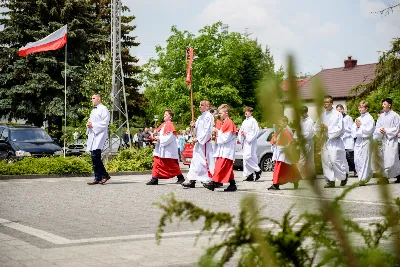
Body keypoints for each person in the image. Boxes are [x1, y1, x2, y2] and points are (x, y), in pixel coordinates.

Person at [203, 104, 238, 192]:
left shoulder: (229, 122)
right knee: (226, 168)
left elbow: (226, 138)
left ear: (226, 113)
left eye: (221, 113)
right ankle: (232, 184)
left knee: (220, 166)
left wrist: (217, 132)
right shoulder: (224, 122)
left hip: (227, 150)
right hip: (223, 149)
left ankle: (214, 183)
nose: (219, 114)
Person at [316, 95, 348, 188]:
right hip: (325, 141)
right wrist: (320, 131)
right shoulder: (322, 115)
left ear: (331, 103)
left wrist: (328, 128)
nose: (325, 105)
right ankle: (330, 181)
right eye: (324, 103)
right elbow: (316, 128)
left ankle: (344, 175)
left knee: (334, 161)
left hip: (335, 141)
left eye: (327, 102)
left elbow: (340, 129)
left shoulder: (337, 114)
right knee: (326, 161)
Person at [146, 109, 185, 185]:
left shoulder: (170, 125)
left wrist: (159, 138)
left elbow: (169, 137)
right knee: (156, 162)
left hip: (167, 149)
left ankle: (180, 177)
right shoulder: (163, 125)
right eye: (164, 114)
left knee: (171, 165)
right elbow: (158, 134)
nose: (164, 115)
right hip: (160, 148)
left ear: (170, 117)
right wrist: (154, 136)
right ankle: (154, 178)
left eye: (166, 115)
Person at [182, 100, 215, 188]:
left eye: (201, 105)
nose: (199, 106)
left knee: (203, 161)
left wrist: (199, 139)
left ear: (207, 106)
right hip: (198, 143)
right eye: (199, 105)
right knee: (195, 161)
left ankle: (206, 179)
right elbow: (198, 129)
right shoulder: (200, 117)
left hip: (204, 143)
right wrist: (194, 125)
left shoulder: (209, 116)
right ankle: (192, 180)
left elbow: (207, 130)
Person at [268, 116, 301, 190]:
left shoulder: (286, 131)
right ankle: (294, 180)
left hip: (283, 153)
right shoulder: (280, 130)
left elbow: (290, 142)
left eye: (281, 122)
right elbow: (275, 139)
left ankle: (276, 184)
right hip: (279, 152)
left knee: (280, 168)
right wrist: (274, 141)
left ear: (285, 123)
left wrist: (282, 147)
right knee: (286, 168)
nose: (279, 123)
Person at [373, 98, 400, 184]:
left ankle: (395, 175)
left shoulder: (396, 116)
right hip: (384, 140)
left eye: (384, 104)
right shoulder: (381, 116)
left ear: (389, 105)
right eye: (383, 104)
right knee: (384, 159)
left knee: (391, 160)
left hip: (392, 140)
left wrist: (387, 131)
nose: (383, 106)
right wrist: (380, 131)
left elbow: (397, 128)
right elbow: (377, 127)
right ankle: (385, 178)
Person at [86, 93, 111, 185]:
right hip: (93, 135)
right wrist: (88, 124)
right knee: (94, 156)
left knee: (95, 156)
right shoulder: (93, 110)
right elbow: (90, 120)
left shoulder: (104, 109)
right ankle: (98, 177)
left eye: (93, 98)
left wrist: (93, 125)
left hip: (100, 135)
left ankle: (104, 175)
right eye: (91, 98)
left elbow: (105, 123)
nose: (92, 100)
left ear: (98, 99)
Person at [351, 101, 374, 185]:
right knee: (357, 160)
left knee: (364, 159)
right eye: (359, 107)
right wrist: (357, 127)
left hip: (366, 141)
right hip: (358, 141)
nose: (360, 109)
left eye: (362, 107)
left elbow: (369, 131)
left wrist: (360, 126)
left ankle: (362, 179)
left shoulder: (369, 118)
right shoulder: (358, 118)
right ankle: (368, 174)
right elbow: (353, 131)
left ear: (366, 108)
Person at [238, 107, 262, 181]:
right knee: (246, 159)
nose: (246, 112)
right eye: (245, 111)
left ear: (251, 112)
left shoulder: (253, 121)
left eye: (248, 111)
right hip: (245, 141)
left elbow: (255, 132)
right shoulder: (244, 121)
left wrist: (247, 135)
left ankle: (258, 170)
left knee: (247, 157)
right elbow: (242, 130)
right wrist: (241, 133)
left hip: (251, 141)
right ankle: (250, 175)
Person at [297, 106, 316, 180]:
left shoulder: (309, 121)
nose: (301, 115)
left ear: (306, 112)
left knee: (303, 159)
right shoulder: (302, 121)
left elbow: (308, 134)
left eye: (302, 113)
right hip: (303, 141)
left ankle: (297, 175)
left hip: (307, 141)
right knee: (308, 159)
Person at [336, 104, 355, 176]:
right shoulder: (337, 119)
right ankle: (345, 171)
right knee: (342, 157)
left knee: (350, 156)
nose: (339, 112)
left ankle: (354, 169)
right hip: (341, 139)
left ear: (343, 109)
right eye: (337, 110)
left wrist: (344, 130)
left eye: (340, 110)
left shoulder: (348, 118)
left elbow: (352, 129)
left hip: (348, 139)